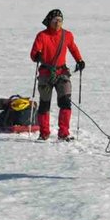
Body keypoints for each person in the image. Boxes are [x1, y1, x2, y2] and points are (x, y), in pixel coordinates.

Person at [30, 8, 85, 141]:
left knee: (65, 102)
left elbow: (73, 48)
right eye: (55, 20)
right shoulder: (42, 36)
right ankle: (44, 133)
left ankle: (64, 133)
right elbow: (33, 54)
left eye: (60, 21)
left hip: (62, 72)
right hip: (45, 73)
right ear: (49, 21)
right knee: (45, 104)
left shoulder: (67, 35)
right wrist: (36, 55)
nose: (58, 23)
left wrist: (80, 60)